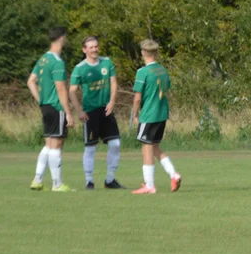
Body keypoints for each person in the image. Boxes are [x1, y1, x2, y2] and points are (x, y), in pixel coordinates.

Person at [68, 36, 125, 190]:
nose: (94, 49)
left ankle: (110, 180)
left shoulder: (107, 62)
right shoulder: (80, 68)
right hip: (90, 112)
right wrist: (79, 111)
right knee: (91, 147)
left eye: (96, 46)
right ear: (84, 49)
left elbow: (113, 83)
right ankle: (89, 181)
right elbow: (72, 91)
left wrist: (112, 102)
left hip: (106, 110)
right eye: (91, 47)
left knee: (115, 144)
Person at [130, 40, 181, 194]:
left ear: (143, 53)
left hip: (149, 115)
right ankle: (174, 174)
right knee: (155, 147)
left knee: (146, 148)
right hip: (161, 114)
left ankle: (149, 185)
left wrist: (135, 114)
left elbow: (138, 98)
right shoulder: (163, 70)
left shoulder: (142, 72)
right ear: (157, 53)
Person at [27, 26, 74, 192]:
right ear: (61, 38)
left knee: (48, 144)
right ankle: (57, 184)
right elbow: (61, 88)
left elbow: (31, 81)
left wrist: (41, 100)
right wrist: (68, 113)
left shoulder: (43, 59)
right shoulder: (57, 61)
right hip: (56, 106)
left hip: (46, 106)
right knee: (57, 144)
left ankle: (38, 179)